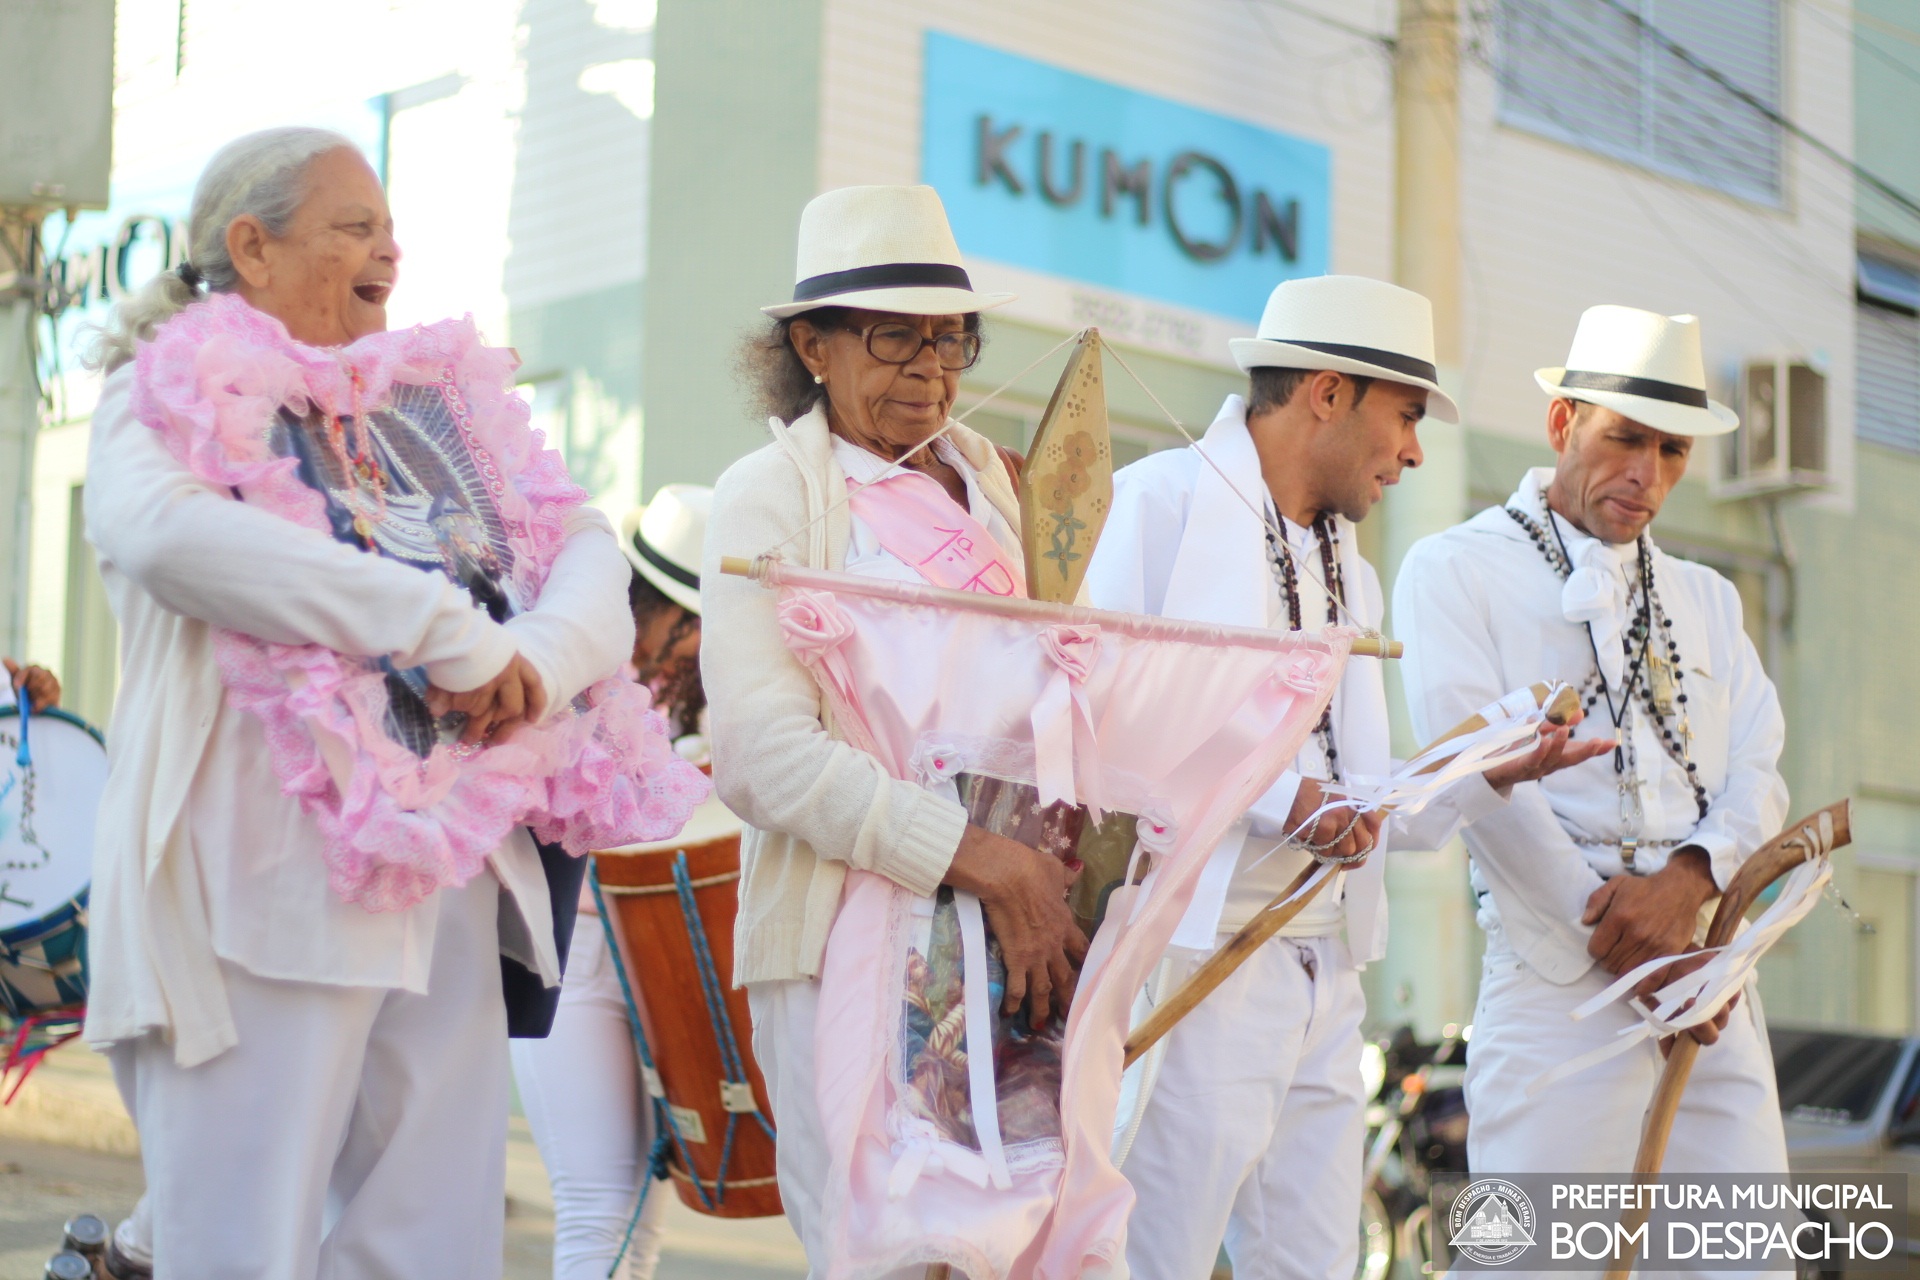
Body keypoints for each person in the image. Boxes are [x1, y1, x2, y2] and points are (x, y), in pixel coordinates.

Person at [79, 126, 642, 1279]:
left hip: (443, 893)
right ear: (253, 247)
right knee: (239, 1249)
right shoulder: (161, 395)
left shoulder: (412, 407)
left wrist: (529, 656)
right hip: (260, 899)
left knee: (435, 1249)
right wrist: (437, 626)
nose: (391, 251)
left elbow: (586, 542)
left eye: (390, 229)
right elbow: (169, 536)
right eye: (355, 227)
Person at [1083, 274, 1609, 1280]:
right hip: (1199, 958)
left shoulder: (1347, 565)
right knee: (1154, 1259)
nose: (1414, 450)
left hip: (1327, 972)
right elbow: (1105, 722)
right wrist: (1288, 801)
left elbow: (1371, 807)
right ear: (1328, 393)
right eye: (1406, 415)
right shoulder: (1162, 501)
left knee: (1317, 1265)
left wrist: (1491, 764)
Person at [701, 184, 1084, 1272]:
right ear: (811, 347)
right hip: (847, 937)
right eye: (894, 337)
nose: (931, 368)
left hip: (1012, 935)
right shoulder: (772, 493)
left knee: (1009, 1244)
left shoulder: (994, 486)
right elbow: (762, 757)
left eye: (951, 337)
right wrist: (979, 859)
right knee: (881, 1248)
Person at [1394, 306, 1790, 1261]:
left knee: (1743, 1258)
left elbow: (1760, 771)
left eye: (1672, 450)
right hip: (1558, 983)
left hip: (1706, 976)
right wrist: (1633, 947)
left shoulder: (1707, 597)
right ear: (1562, 423)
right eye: (1625, 438)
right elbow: (1482, 789)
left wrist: (1690, 883)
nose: (1647, 473)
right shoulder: (1454, 570)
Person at [510, 483, 711, 1280]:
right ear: (662, 608)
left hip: (661, 956)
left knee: (636, 1228)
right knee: (600, 1212)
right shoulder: (580, 654)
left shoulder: (702, 691)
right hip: (577, 947)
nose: (705, 645)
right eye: (697, 623)